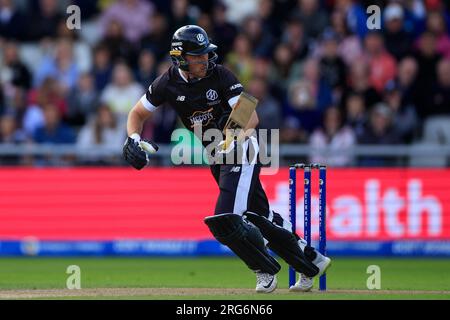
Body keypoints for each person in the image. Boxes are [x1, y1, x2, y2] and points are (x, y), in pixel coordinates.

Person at [122, 25, 331, 293]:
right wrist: (133, 138)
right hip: (218, 158)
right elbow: (136, 115)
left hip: (242, 150)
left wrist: (229, 140)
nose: (204, 60)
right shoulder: (166, 82)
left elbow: (250, 117)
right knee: (260, 216)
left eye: (205, 53)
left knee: (225, 219)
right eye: (197, 56)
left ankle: (264, 270)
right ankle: (312, 261)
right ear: (180, 57)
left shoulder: (221, 75)